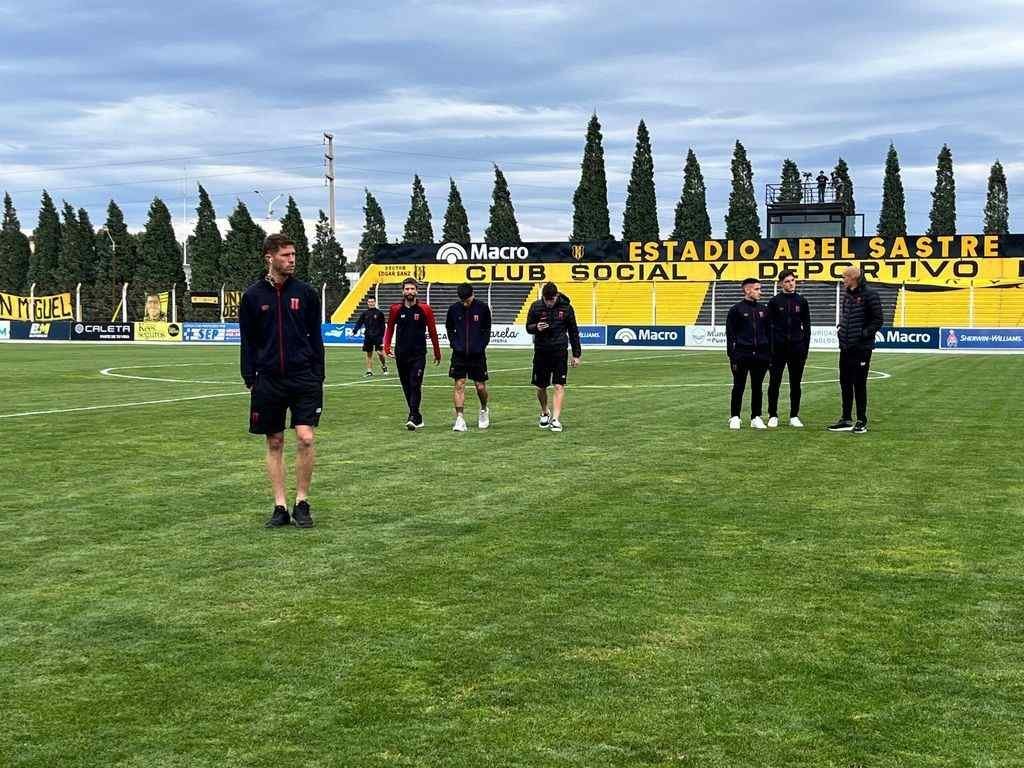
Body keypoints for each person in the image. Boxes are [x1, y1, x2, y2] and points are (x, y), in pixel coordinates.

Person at [239, 233, 325, 529]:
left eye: (293, 255)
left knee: (306, 437)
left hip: (304, 377)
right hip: (268, 379)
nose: (292, 260)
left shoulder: (307, 293)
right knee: (274, 441)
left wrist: (318, 374)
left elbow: (316, 337)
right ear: (270, 257)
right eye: (286, 255)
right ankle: (280, 506)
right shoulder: (252, 296)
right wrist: (250, 376)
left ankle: (302, 502)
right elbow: (248, 341)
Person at [829, 266, 883, 434]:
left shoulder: (870, 294)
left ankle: (861, 420)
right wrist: (841, 329)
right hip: (845, 346)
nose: (843, 280)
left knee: (859, 383)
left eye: (844, 277)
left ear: (853, 278)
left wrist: (863, 334)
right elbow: (846, 316)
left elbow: (878, 320)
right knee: (845, 382)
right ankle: (846, 418)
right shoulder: (847, 295)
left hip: (861, 348)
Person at [384, 277, 441, 430]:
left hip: (418, 354)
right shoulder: (395, 309)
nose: (409, 291)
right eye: (407, 289)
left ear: (417, 291)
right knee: (406, 386)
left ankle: (412, 416)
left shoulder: (425, 309)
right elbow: (390, 328)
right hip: (401, 354)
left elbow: (433, 331)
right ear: (403, 291)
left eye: (412, 289)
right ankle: (417, 416)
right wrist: (387, 346)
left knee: (415, 383)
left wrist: (437, 352)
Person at [525, 282, 581, 433]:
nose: (549, 302)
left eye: (552, 299)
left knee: (559, 385)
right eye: (547, 299)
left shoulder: (566, 308)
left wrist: (576, 354)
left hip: (560, 351)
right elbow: (528, 327)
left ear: (557, 296)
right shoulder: (535, 306)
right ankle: (545, 412)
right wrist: (536, 327)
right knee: (540, 387)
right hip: (541, 351)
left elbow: (573, 332)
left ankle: (556, 419)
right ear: (543, 297)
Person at [766, 269, 811, 428]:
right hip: (777, 350)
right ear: (781, 284)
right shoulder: (774, 302)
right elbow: (768, 327)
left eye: (792, 280)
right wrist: (770, 348)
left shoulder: (802, 301)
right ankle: (773, 415)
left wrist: (805, 348)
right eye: (787, 281)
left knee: (795, 384)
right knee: (774, 382)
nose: (791, 284)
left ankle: (794, 416)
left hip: (797, 349)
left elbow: (807, 326)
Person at [445, 283, 492, 432]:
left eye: (468, 300)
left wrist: (481, 345)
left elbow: (486, 329)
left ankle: (484, 409)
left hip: (477, 354)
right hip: (459, 354)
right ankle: (459, 418)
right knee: (459, 384)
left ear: (473, 294)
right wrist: (454, 343)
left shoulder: (483, 308)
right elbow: (449, 328)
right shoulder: (453, 309)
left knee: (480, 386)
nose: (465, 303)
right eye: (463, 301)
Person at [726, 277, 771, 430]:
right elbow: (730, 335)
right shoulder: (736, 310)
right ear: (747, 290)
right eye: (757, 289)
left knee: (757, 387)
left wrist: (768, 354)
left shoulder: (764, 309)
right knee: (738, 386)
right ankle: (735, 417)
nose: (760, 292)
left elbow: (769, 333)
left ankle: (756, 417)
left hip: (761, 355)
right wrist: (732, 356)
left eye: (760, 289)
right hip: (741, 355)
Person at [353, 296, 388, 376]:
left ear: (375, 302)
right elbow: (359, 322)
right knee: (369, 354)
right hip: (368, 336)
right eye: (369, 302)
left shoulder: (379, 313)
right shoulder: (364, 313)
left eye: (372, 302)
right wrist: (355, 331)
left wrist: (382, 336)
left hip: (377, 336)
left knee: (379, 353)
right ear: (367, 303)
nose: (371, 303)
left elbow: (383, 326)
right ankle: (369, 371)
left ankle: (384, 365)